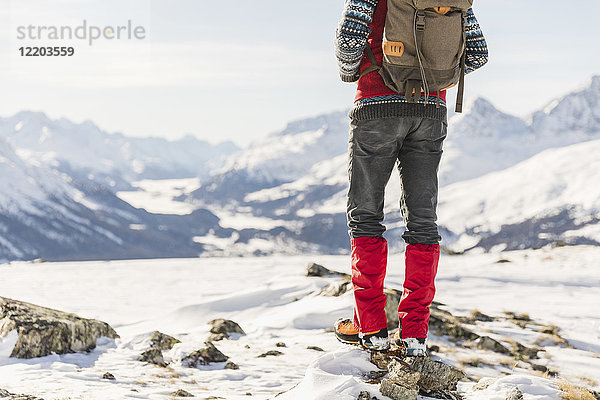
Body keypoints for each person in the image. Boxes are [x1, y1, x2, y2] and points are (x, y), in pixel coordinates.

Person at [332, 0, 488, 355]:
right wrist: (433, 74)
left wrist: (354, 71)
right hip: (431, 110)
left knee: (365, 216)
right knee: (422, 221)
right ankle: (415, 333)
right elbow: (477, 55)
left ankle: (370, 327)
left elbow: (348, 39)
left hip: (377, 105)